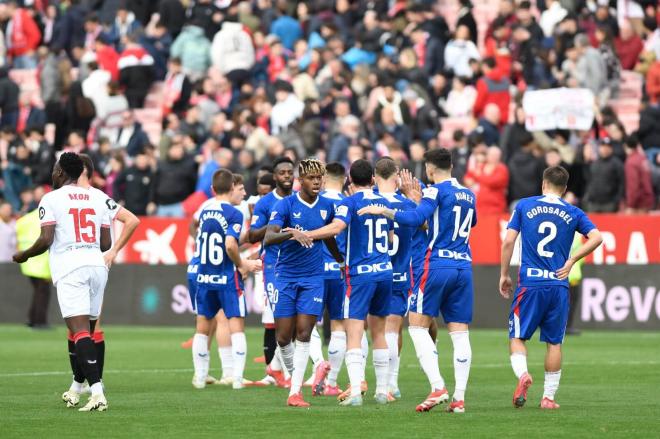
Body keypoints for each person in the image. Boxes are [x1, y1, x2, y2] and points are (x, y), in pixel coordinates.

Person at [359, 149, 476, 414]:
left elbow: (414, 219)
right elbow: (465, 224)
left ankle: (438, 387)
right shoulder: (469, 194)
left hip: (437, 265)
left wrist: (385, 210)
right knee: (459, 333)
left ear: (430, 169)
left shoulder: (434, 191)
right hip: (464, 265)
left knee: (416, 326)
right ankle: (459, 398)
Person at [12, 153, 118, 412]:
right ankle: (76, 389)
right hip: (97, 266)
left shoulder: (51, 198)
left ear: (61, 173)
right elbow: (106, 243)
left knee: (79, 331)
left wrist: (24, 254)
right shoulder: (99, 196)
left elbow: (46, 238)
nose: (53, 172)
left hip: (71, 267)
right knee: (85, 332)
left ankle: (97, 393)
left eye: (55, 169)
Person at [499, 166, 603, 409]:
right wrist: (571, 260)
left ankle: (523, 375)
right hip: (558, 284)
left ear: (543, 184)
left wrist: (504, 274)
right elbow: (597, 237)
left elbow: (509, 242)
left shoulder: (524, 206)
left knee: (517, 337)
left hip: (531, 284)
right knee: (554, 342)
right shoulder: (574, 212)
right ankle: (548, 398)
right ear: (564, 189)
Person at [304, 159, 394, 407]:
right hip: (385, 271)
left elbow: (337, 227)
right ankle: (382, 391)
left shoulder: (349, 202)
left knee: (354, 331)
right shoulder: (383, 203)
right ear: (373, 180)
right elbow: (391, 235)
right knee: (379, 332)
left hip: (361, 274)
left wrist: (310, 234)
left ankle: (355, 392)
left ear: (349, 181)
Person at [263, 159, 341, 407]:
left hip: (313, 278)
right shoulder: (285, 204)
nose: (317, 182)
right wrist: (291, 232)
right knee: (284, 337)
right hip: (285, 276)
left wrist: (340, 260)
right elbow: (268, 238)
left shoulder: (327, 206)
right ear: (301, 180)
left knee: (304, 333)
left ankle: (295, 392)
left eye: (320, 178)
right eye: (312, 178)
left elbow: (328, 236)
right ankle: (293, 377)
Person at [191, 169, 262, 390]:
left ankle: (200, 378)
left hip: (204, 274)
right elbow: (230, 244)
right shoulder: (233, 213)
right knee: (236, 325)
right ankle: (237, 378)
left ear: (212, 189)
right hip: (226, 275)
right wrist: (243, 264)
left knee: (202, 327)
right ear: (232, 187)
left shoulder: (204, 211)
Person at [247, 157, 294, 387]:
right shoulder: (266, 203)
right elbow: (253, 235)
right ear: (275, 177)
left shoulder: (302, 199)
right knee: (281, 319)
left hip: (301, 265)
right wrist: (277, 224)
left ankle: (276, 368)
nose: (286, 176)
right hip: (274, 266)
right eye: (282, 173)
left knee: (298, 319)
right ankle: (283, 372)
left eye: (289, 172)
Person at [373, 158, 416, 401]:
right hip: (399, 274)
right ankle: (392, 382)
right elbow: (423, 227)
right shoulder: (407, 206)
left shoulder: (369, 202)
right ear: (397, 175)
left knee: (370, 329)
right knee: (393, 328)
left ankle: (375, 382)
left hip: (373, 273)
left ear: (375, 176)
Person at [319, 162, 348, 396]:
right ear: (345, 179)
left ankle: (317, 367)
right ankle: (332, 383)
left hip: (314, 270)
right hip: (340, 270)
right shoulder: (348, 204)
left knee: (306, 324)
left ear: (324, 177)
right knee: (339, 323)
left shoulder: (314, 201)